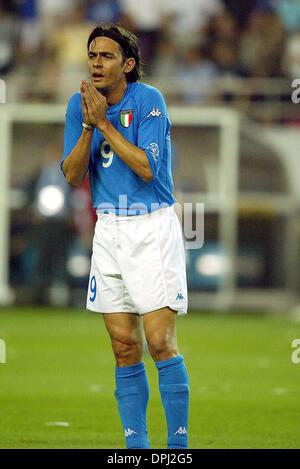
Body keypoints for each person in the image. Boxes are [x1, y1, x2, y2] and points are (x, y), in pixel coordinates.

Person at [61, 23, 189, 449]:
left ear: (128, 64)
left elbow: (147, 168)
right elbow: (73, 174)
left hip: (151, 225)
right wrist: (86, 125)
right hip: (109, 229)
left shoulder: (149, 101)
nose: (97, 63)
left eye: (107, 56)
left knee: (159, 342)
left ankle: (178, 450)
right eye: (92, 55)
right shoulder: (78, 106)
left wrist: (105, 124)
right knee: (122, 347)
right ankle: (136, 449)